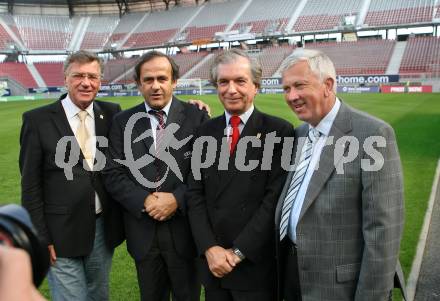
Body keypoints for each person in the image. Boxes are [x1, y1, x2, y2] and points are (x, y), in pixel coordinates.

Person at [275, 49, 406, 301]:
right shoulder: (300, 133)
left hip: (339, 288)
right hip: (292, 280)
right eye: (286, 88)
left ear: (328, 85)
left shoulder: (373, 134)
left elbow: (383, 231)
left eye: (299, 86)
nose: (291, 96)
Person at [187, 48, 294, 301]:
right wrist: (210, 248)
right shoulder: (204, 132)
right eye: (223, 82)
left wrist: (237, 252)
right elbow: (194, 194)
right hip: (214, 266)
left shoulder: (279, 131)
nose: (231, 89)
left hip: (254, 266)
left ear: (256, 86)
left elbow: (274, 201)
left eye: (240, 81)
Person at [103, 51, 209, 301]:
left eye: (162, 78)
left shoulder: (197, 117)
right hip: (143, 233)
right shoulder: (121, 121)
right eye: (148, 79)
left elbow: (204, 171)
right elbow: (112, 172)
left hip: (186, 232)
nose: (156, 85)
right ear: (138, 84)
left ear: (174, 81)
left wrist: (177, 199)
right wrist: (145, 201)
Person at [19, 50, 125, 300]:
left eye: (93, 76)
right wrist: (41, 236)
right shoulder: (37, 120)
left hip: (101, 227)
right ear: (65, 78)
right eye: (78, 75)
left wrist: (195, 109)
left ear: (100, 81)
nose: (86, 82)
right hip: (59, 231)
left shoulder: (112, 113)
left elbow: (142, 126)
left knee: (99, 294)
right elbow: (30, 184)